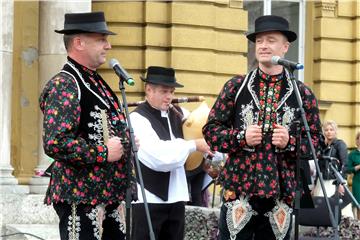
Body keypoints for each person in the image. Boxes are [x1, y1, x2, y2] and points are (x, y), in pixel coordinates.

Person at [202, 15, 322, 240]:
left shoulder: (302, 93)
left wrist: (291, 142)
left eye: (271, 40)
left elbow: (317, 143)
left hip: (281, 193)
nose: (264, 46)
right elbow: (211, 131)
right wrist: (240, 137)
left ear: (285, 47)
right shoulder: (236, 86)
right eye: (259, 41)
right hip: (239, 190)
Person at [39, 12, 131, 240]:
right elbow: (56, 142)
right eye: (101, 39)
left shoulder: (96, 82)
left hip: (109, 194)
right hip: (81, 197)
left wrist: (127, 140)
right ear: (79, 42)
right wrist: (104, 152)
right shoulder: (66, 84)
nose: (108, 46)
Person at [129, 66, 211, 240]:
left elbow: (204, 132)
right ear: (148, 90)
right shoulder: (137, 119)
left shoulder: (181, 115)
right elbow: (159, 157)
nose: (169, 97)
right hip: (148, 200)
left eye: (172, 91)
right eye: (164, 91)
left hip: (177, 198)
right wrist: (193, 145)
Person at [347, 131, 360, 219]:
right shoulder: (352, 154)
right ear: (357, 140)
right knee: (359, 205)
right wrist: (358, 167)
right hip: (358, 183)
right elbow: (347, 170)